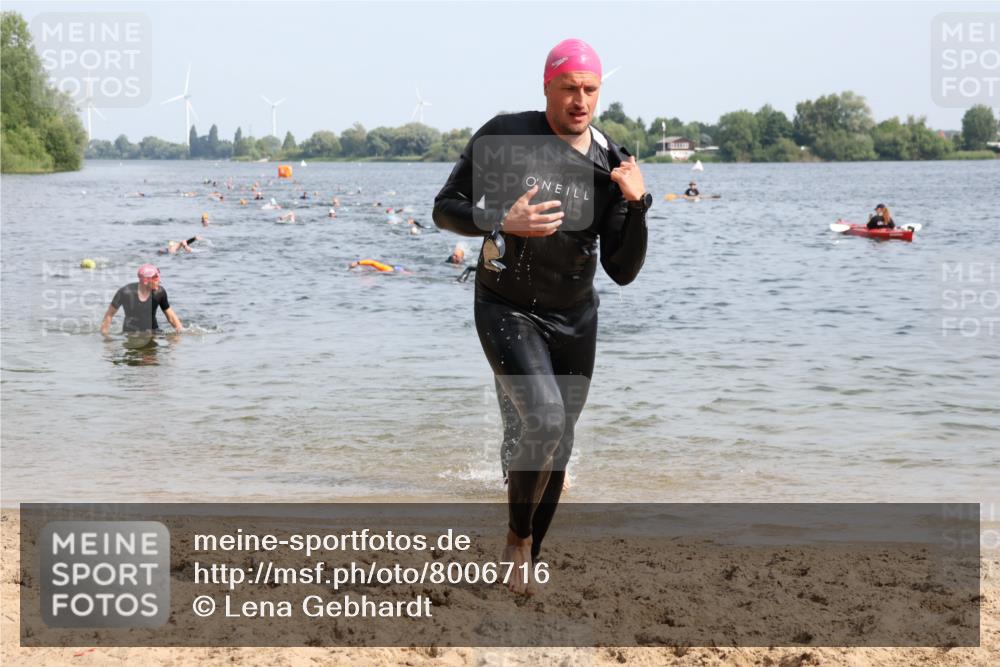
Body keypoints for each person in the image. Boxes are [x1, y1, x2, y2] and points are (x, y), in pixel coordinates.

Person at [433, 38, 649, 595]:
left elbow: (623, 270)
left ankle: (529, 555)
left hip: (575, 316)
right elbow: (445, 208)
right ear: (547, 87)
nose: (580, 101)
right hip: (505, 305)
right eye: (569, 88)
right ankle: (515, 539)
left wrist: (637, 204)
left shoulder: (612, 160)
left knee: (561, 442)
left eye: (590, 90)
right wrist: (500, 219)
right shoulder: (506, 135)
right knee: (546, 421)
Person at [100, 264, 183, 335]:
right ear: (146, 281)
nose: (159, 281)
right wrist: (106, 338)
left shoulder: (160, 293)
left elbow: (171, 316)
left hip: (153, 333)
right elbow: (109, 315)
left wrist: (180, 333)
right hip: (130, 334)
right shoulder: (125, 293)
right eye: (156, 278)